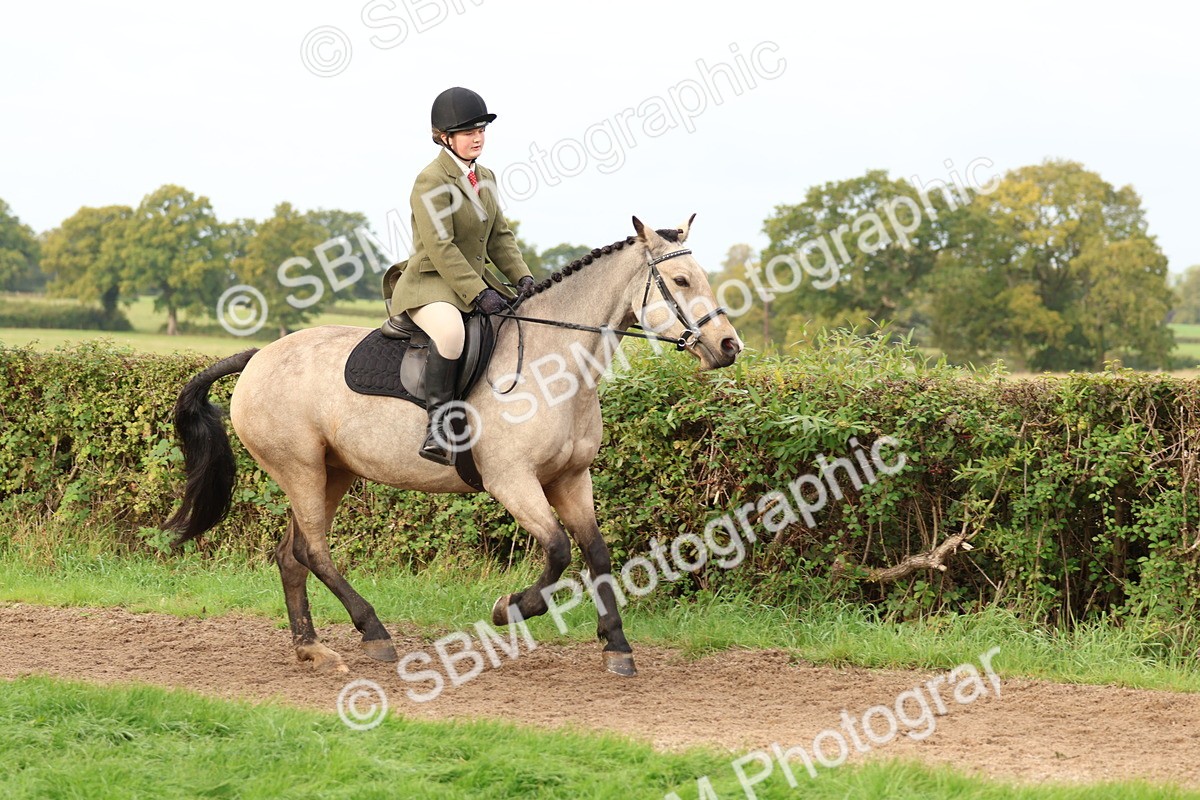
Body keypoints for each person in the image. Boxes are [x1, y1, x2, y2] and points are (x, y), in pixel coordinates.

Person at [387, 87, 535, 465]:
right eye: (469, 131)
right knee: (451, 332)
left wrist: (523, 278)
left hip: (471, 281)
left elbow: (499, 235)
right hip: (430, 283)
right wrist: (477, 292)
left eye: (481, 129)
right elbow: (441, 247)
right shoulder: (431, 180)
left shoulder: (485, 176)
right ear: (444, 137)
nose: (478, 137)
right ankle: (438, 427)